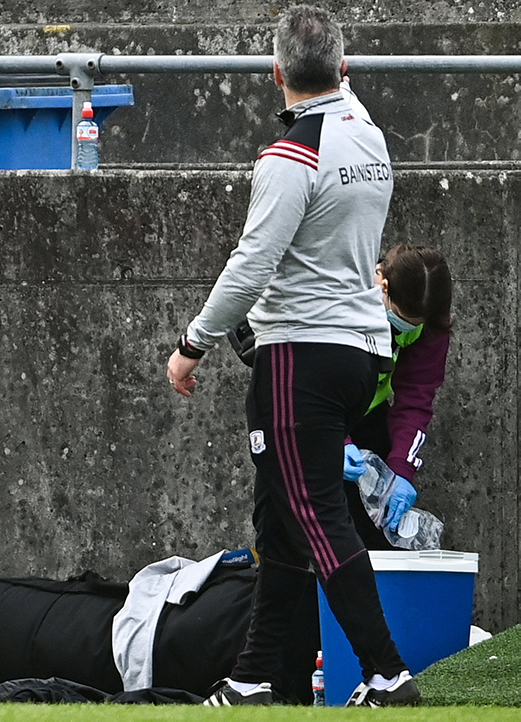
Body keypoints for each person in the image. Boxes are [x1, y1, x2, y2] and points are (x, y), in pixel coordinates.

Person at [164, 6, 422, 708]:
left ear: (273, 74)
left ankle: (387, 676)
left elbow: (251, 266)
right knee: (280, 519)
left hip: (298, 353)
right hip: (357, 354)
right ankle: (250, 678)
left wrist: (192, 343)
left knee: (311, 513)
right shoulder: (367, 134)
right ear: (343, 70)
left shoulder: (291, 155)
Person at [342, 245, 452, 547]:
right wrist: (333, 440)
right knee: (295, 539)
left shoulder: (431, 320)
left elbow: (415, 398)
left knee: (377, 533)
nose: (409, 326)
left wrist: (402, 467)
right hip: (307, 415)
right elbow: (303, 379)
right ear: (383, 285)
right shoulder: (343, 295)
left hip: (367, 416)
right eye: (405, 318)